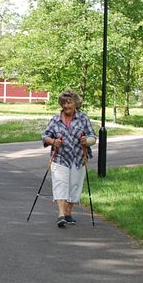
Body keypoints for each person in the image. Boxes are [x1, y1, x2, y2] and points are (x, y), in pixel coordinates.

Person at [42, 90, 96, 228]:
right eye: (64, 103)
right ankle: (61, 215)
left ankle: (68, 213)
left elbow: (93, 137)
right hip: (60, 158)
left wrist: (87, 141)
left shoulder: (83, 118)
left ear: (75, 103)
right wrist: (53, 142)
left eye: (69, 102)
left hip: (78, 158)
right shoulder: (55, 119)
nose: (66, 106)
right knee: (60, 184)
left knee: (74, 186)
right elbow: (45, 136)